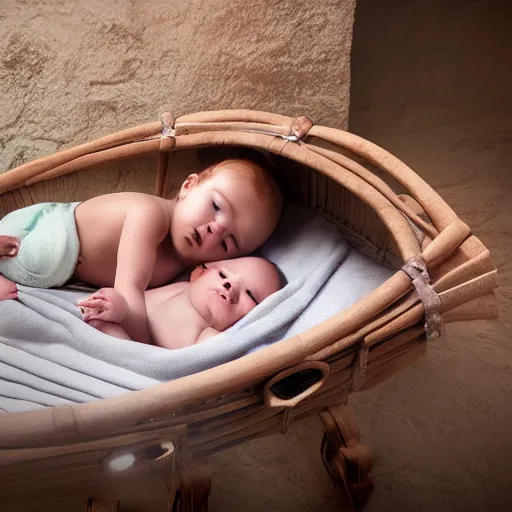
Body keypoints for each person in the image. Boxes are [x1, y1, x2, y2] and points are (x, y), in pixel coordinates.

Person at [0, 159, 282, 343]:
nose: (214, 230)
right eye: (217, 207)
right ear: (188, 186)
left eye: (227, 243)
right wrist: (144, 348)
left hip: (72, 271)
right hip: (45, 232)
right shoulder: (150, 215)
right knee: (40, 262)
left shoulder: (190, 268)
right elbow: (129, 288)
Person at [75, 257, 283, 349]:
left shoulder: (209, 336)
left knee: (112, 324)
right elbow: (137, 302)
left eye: (250, 294)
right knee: (117, 299)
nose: (230, 284)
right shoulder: (181, 288)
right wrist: (117, 305)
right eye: (222, 274)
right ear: (198, 273)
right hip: (124, 322)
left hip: (135, 354)